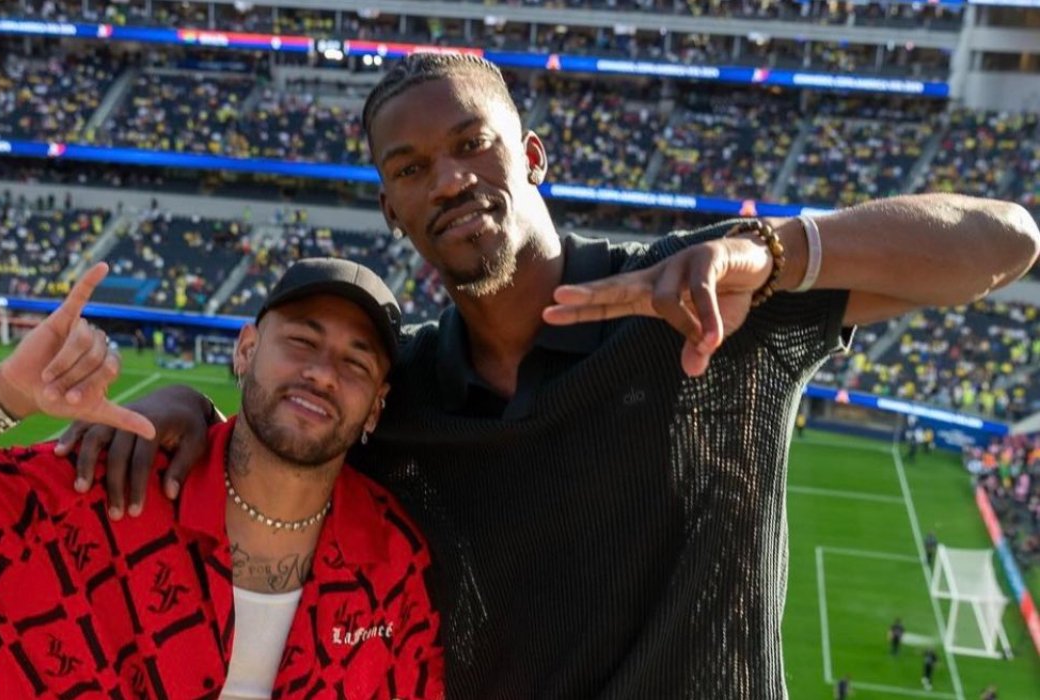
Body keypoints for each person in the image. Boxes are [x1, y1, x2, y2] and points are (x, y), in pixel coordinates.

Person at [61, 54, 1040, 697]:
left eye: (470, 144)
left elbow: (1004, 244)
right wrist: (179, 400)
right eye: (409, 168)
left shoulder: (697, 299)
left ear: (531, 155)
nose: (445, 178)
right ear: (393, 210)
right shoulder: (393, 392)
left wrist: (773, 252)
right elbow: (274, 432)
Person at [0, 260, 443, 699]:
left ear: (376, 407)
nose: (322, 374)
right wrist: (2, 395)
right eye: (302, 341)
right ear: (246, 349)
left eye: (355, 362)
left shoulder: (394, 563)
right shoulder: (91, 487)